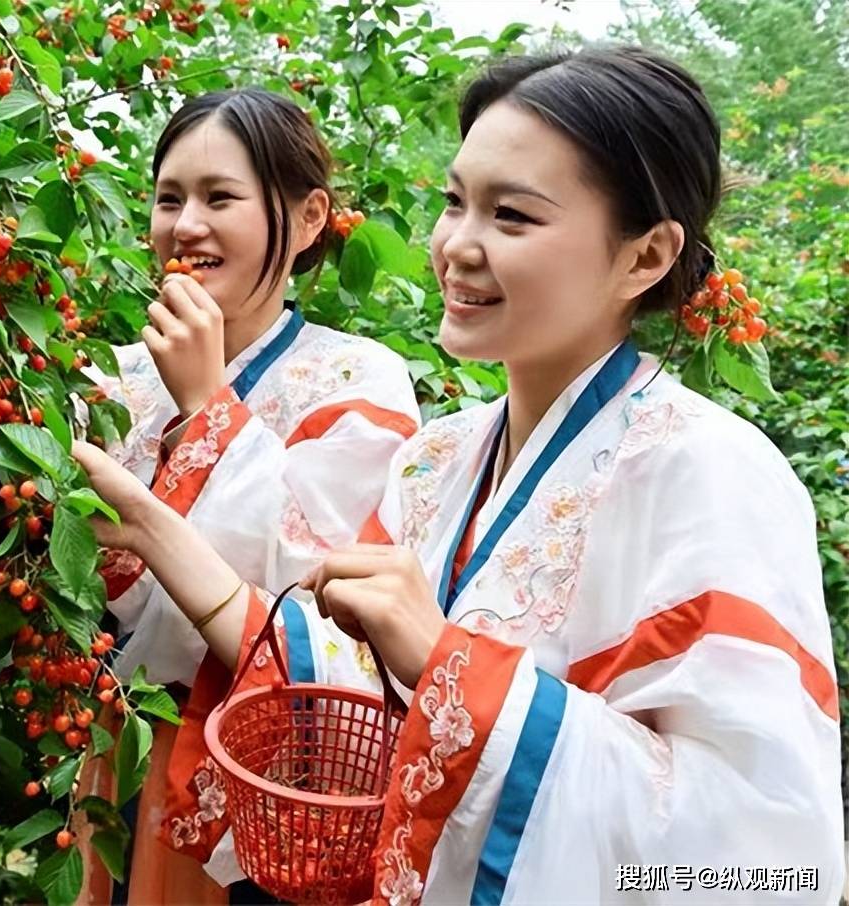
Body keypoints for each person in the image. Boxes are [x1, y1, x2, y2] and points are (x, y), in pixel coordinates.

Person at [73, 47, 844, 904]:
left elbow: (765, 858)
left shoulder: (714, 472)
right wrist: (150, 527)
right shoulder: (434, 462)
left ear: (646, 256)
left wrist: (448, 664)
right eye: (453, 203)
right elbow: (344, 715)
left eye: (511, 216)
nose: (456, 248)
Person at [76, 88, 422, 903]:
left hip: (263, 767)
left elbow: (319, 595)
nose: (186, 225)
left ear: (306, 220)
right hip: (118, 747)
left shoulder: (358, 378)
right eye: (169, 198)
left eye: (219, 197)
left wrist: (207, 407)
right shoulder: (111, 376)